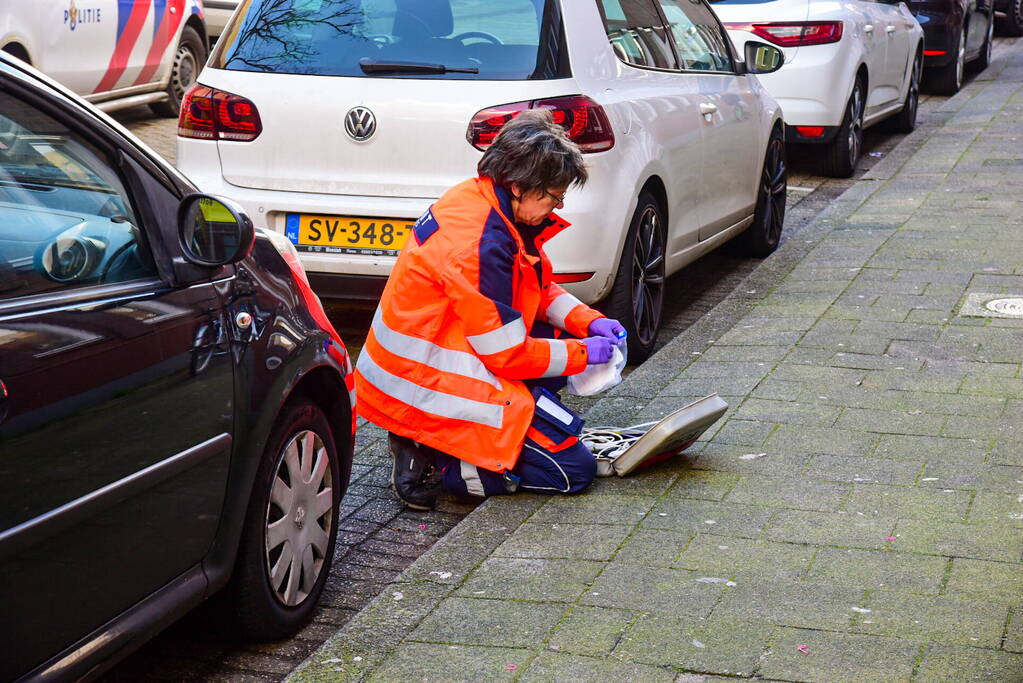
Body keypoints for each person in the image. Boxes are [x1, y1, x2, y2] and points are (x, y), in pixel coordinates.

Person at [354, 110, 627, 510]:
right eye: (554, 195)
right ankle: (436, 451)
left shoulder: (484, 203)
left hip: (435, 358)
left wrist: (592, 321)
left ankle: (469, 435)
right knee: (572, 471)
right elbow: (507, 354)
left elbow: (537, 290)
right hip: (424, 384)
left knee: (564, 351)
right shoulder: (482, 242)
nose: (557, 206)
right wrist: (584, 354)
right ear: (519, 186)